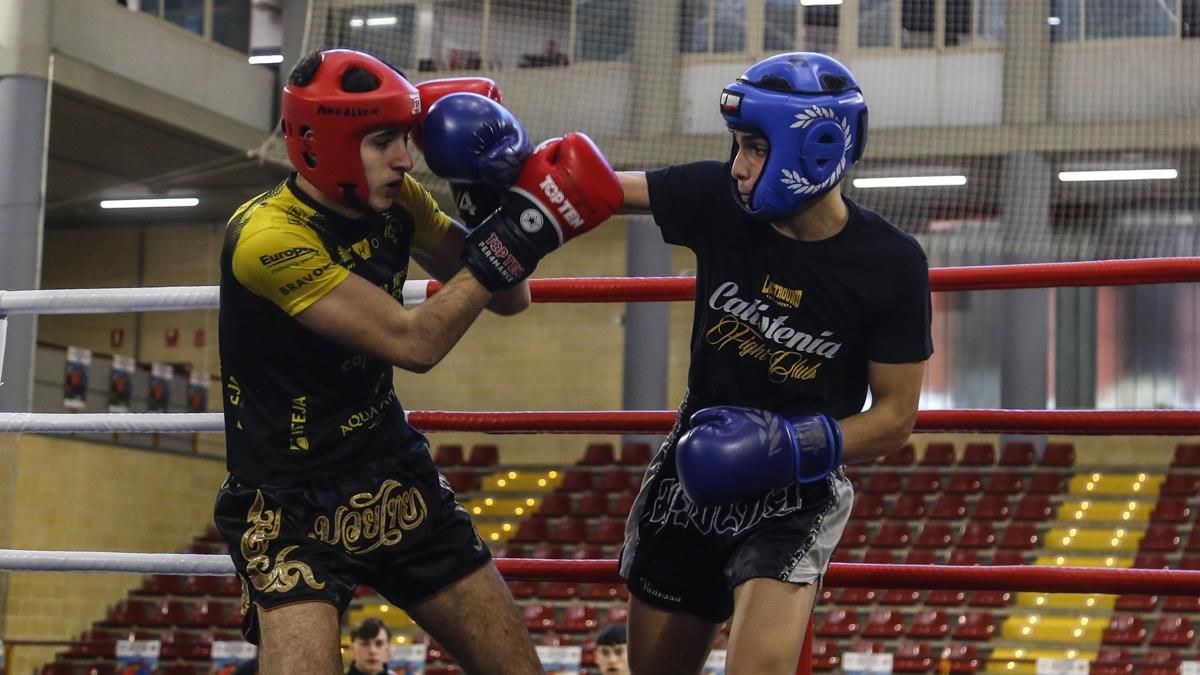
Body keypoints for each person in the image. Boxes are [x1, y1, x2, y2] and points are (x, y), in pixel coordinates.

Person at [212, 48, 622, 675]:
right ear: (325, 144)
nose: (405, 158)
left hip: (392, 474)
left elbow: (509, 296)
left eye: (405, 138)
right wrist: (521, 229)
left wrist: (486, 195)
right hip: (288, 498)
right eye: (382, 142)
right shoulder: (271, 238)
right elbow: (414, 342)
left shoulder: (400, 202)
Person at [615, 52, 933, 674]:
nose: (738, 166)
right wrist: (512, 169)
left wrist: (787, 446)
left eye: (755, 147)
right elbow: (597, 187)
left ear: (812, 148)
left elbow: (896, 417)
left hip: (796, 492)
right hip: (695, 471)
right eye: (737, 145)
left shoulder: (890, 263)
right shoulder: (717, 201)